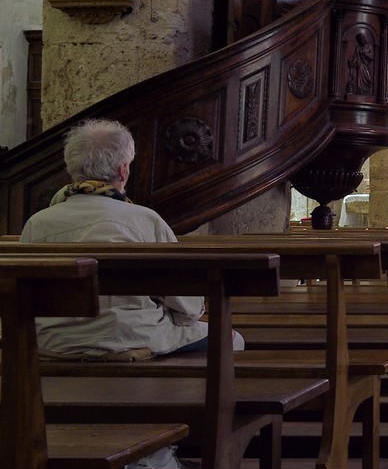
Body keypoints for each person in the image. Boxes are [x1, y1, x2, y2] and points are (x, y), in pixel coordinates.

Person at [19, 118, 242, 361]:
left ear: (71, 168)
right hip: (131, 335)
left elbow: (23, 295)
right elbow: (187, 306)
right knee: (232, 339)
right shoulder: (145, 220)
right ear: (123, 170)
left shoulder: (37, 223)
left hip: (55, 342)